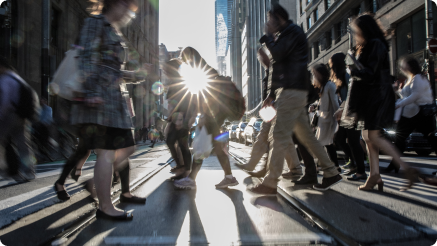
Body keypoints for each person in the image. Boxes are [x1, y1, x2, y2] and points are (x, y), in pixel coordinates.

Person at [247, 4, 342, 195]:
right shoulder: (285, 34)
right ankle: (330, 171)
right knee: (306, 136)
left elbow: (277, 55)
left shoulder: (291, 32)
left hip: (291, 91)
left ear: (278, 19)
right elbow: (276, 66)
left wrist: (267, 37)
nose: (267, 23)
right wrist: (271, 94)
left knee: (279, 136)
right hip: (291, 91)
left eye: (270, 19)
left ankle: (271, 181)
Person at [70, 0, 143, 220]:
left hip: (114, 99)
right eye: (126, 6)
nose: (128, 12)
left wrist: (133, 77)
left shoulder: (113, 30)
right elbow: (86, 58)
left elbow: (113, 68)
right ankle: (105, 206)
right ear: (114, 3)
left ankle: (96, 184)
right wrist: (91, 90)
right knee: (107, 152)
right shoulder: (96, 23)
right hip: (100, 98)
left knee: (127, 149)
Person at [342, 14, 417, 191]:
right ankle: (374, 175)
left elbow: (370, 73)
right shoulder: (369, 45)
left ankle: (407, 169)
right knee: (368, 137)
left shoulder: (375, 44)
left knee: (373, 136)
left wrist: (352, 70)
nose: (355, 34)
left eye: (357, 31)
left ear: (364, 30)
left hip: (377, 96)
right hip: (372, 96)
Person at [235, 46, 303, 179]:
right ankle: (294, 169)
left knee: (278, 138)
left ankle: (295, 169)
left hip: (280, 108)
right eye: (259, 56)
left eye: (263, 54)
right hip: (271, 110)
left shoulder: (279, 69)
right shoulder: (268, 73)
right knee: (265, 137)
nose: (261, 58)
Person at [383, 56, 436, 173]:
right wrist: (397, 90)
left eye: (404, 65)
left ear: (410, 66)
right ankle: (394, 165)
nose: (401, 67)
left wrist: (399, 104)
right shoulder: (409, 79)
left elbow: (415, 96)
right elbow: (407, 96)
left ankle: (394, 165)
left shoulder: (418, 78)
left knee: (431, 140)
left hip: (421, 114)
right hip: (410, 115)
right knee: (399, 140)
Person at [0, 56, 40, 182]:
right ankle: (29, 172)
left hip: (11, 114)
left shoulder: (5, 79)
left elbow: (5, 101)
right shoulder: (17, 77)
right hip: (22, 116)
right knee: (23, 144)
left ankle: (8, 170)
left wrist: (1, 115)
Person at [329, 53, 367, 181]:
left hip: (354, 111)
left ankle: (360, 170)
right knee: (340, 139)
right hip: (348, 111)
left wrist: (341, 110)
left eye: (331, 64)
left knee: (353, 141)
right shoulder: (341, 77)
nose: (330, 67)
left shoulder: (346, 75)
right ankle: (354, 164)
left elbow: (350, 97)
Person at [309, 64, 340, 172]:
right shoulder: (322, 87)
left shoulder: (330, 85)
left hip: (329, 120)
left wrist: (338, 117)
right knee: (327, 144)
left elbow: (335, 102)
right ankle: (333, 166)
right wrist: (315, 105)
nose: (314, 76)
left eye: (315, 73)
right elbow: (322, 102)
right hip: (323, 120)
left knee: (321, 144)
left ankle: (320, 166)